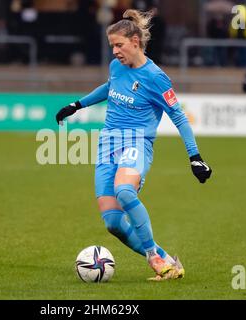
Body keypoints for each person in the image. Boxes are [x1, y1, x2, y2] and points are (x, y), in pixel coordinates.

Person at [55, 9, 212, 281]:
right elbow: (109, 87)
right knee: (113, 224)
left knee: (125, 192)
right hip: (108, 145)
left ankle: (153, 256)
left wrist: (194, 156)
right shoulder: (117, 67)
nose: (114, 51)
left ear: (136, 42)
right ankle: (168, 262)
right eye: (112, 46)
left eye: (119, 45)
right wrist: (76, 105)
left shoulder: (156, 77)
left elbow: (179, 116)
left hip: (137, 142)